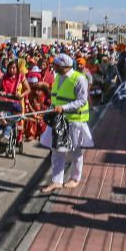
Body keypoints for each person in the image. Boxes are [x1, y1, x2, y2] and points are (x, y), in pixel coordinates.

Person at [41, 53, 93, 193]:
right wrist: (52, 108)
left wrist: (63, 108)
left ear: (63, 66)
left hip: (75, 121)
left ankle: (75, 178)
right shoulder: (58, 77)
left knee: (76, 151)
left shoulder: (79, 79)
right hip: (60, 121)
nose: (53, 66)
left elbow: (82, 100)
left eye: (55, 65)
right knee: (57, 150)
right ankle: (56, 181)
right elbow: (56, 97)